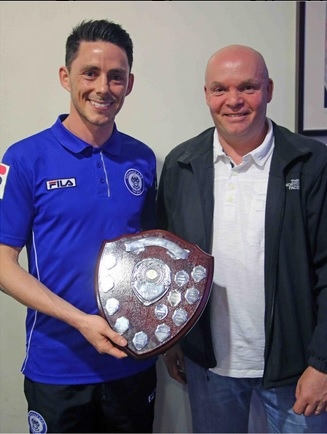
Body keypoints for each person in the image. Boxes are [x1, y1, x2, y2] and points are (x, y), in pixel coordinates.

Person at [156, 44, 327, 433]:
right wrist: (172, 339)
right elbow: (168, 264)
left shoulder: (312, 163)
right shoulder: (183, 164)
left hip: (297, 369)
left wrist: (323, 364)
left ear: (269, 89)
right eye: (220, 89)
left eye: (247, 87)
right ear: (206, 95)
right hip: (209, 368)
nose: (233, 101)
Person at [0, 19, 157, 433]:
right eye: (90, 73)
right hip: (57, 368)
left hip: (132, 363)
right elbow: (1, 264)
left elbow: (155, 258)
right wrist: (80, 321)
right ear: (65, 76)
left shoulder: (143, 160)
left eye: (116, 76)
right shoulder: (23, 158)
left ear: (130, 83)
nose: (103, 87)